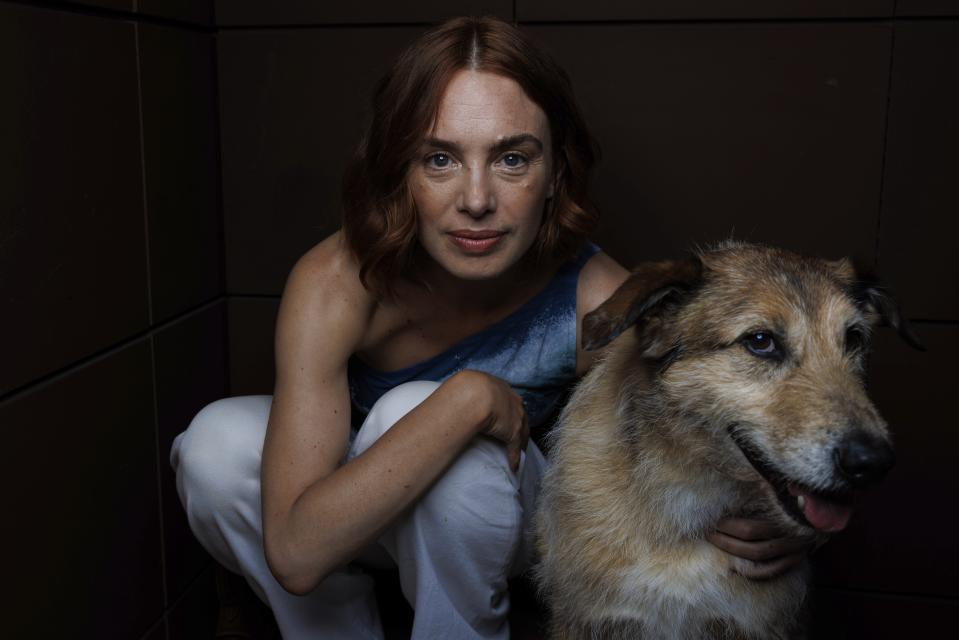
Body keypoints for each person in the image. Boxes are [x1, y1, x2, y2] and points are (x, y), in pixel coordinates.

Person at [171, 16, 810, 640]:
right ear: (400, 171)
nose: (476, 199)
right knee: (214, 443)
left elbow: (704, 414)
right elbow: (296, 552)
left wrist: (778, 512)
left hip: (506, 534)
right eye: (440, 159)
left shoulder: (596, 297)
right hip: (352, 526)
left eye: (511, 159)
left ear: (555, 172)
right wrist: (469, 399)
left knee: (415, 414)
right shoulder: (337, 283)